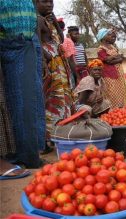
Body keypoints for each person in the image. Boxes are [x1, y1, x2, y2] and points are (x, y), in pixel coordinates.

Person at [0, 0, 46, 168]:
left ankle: (31, 153)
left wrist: (39, 56)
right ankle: (23, 155)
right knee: (18, 105)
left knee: (32, 103)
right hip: (10, 48)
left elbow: (34, 27)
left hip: (28, 47)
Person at [37, 0, 74, 145]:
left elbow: (62, 39)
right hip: (51, 64)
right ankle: (50, 136)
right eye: (44, 2)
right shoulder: (38, 20)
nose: (49, 5)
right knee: (53, 99)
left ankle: (61, 132)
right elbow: (37, 44)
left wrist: (57, 25)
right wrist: (48, 58)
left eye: (51, 2)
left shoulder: (49, 20)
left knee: (64, 98)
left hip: (60, 63)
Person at [97, 28, 126, 108]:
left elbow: (121, 59)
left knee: (120, 94)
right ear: (103, 38)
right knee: (112, 94)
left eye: (113, 35)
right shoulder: (101, 49)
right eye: (109, 35)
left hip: (119, 75)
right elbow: (107, 60)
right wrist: (117, 57)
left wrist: (116, 58)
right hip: (109, 76)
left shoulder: (113, 47)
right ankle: (112, 112)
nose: (112, 36)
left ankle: (120, 111)